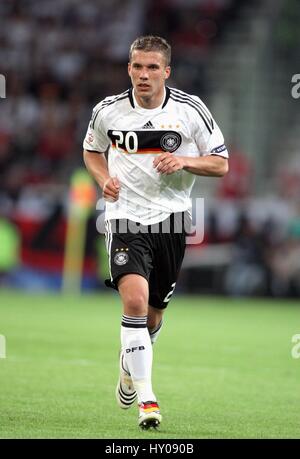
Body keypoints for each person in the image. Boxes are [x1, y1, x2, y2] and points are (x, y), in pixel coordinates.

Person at [83, 35, 229, 429]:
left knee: (152, 316)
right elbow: (92, 150)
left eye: (151, 68)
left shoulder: (190, 110)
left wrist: (183, 161)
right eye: (136, 67)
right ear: (128, 68)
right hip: (124, 217)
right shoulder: (108, 111)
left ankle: (129, 367)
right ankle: (148, 398)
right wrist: (102, 178)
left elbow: (220, 165)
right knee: (133, 301)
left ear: (167, 71)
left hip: (173, 222)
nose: (143, 75)